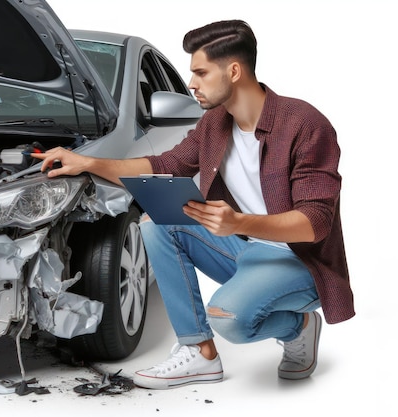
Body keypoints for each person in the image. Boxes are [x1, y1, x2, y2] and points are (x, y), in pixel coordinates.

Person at [33, 19, 354, 389]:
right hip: (244, 249)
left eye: (201, 73)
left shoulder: (305, 124)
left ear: (233, 71)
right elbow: (164, 165)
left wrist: (238, 223)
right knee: (157, 224)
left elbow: (315, 223)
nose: (191, 84)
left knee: (230, 318)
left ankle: (298, 326)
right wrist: (90, 163)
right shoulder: (215, 123)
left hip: (300, 262)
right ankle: (199, 352)